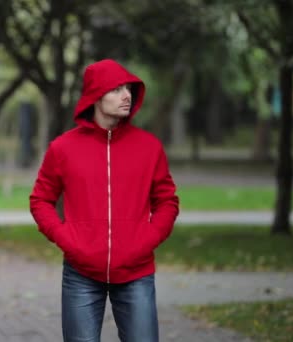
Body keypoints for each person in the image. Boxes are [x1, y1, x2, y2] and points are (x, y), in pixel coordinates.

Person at [29, 59, 179, 342]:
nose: (127, 96)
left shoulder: (149, 147)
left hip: (136, 271)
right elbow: (40, 200)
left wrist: (147, 239)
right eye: (117, 89)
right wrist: (67, 238)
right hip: (81, 273)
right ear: (96, 97)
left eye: (129, 89)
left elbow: (167, 201)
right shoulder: (63, 148)